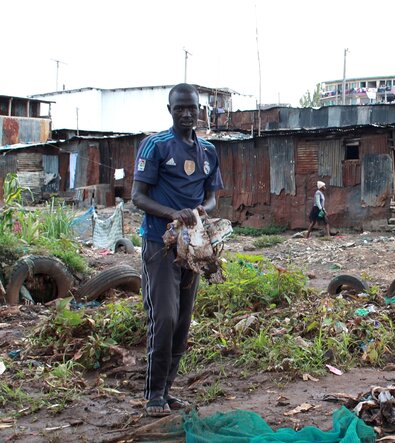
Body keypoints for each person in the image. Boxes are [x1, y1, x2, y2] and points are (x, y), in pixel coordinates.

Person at [131, 83, 223, 417]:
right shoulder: (155, 145)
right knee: (165, 316)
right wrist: (174, 214)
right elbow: (137, 197)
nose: (186, 113)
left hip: (193, 249)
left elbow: (212, 195)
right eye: (179, 108)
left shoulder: (209, 151)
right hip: (160, 245)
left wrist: (200, 210)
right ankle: (153, 393)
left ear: (200, 110)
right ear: (169, 110)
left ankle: (167, 391)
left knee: (183, 321)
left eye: (192, 108)